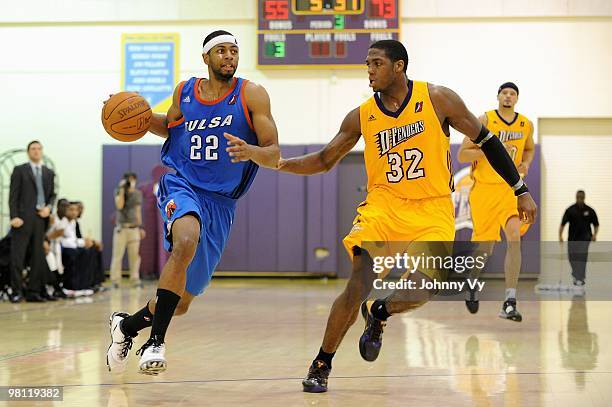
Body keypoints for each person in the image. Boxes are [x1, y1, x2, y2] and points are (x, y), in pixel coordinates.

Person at [277, 40, 537, 393]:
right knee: (358, 282)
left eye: (376, 63)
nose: (369, 70)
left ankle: (380, 313)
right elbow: (324, 160)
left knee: (425, 288)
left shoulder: (437, 98)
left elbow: (488, 141)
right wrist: (279, 163)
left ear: (398, 66)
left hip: (432, 207)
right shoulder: (361, 115)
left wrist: (520, 189)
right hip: (384, 206)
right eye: (367, 64)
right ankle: (322, 362)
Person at [106, 30, 280, 375]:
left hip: (221, 203)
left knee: (182, 302)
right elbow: (171, 128)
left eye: (234, 50)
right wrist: (133, 116)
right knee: (184, 241)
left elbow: (274, 154)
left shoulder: (252, 94)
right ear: (206, 58)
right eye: (221, 51)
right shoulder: (184, 92)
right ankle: (155, 343)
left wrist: (251, 151)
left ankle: (125, 328)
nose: (229, 56)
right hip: (181, 182)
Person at [456, 82, 535, 321]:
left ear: (517, 99)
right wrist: (491, 150)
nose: (508, 96)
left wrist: (526, 164)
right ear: (498, 96)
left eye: (512, 93)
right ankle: (471, 281)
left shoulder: (526, 124)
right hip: (484, 192)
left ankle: (509, 301)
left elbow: (529, 149)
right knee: (486, 248)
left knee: (514, 237)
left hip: (510, 191)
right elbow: (462, 154)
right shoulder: (485, 119)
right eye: (504, 93)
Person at [8, 140, 56, 303]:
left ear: (42, 151)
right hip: (22, 219)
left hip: (40, 219)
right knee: (18, 257)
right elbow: (13, 195)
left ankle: (33, 291)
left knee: (38, 257)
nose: (36, 151)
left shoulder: (48, 172)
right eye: (33, 149)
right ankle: (16, 291)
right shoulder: (20, 170)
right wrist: (14, 216)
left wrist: (49, 208)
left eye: (38, 148)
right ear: (28, 152)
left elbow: (52, 195)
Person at [109, 172, 144, 289]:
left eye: (132, 179)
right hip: (121, 228)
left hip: (133, 229)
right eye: (128, 180)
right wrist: (122, 190)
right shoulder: (118, 191)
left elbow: (138, 210)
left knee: (135, 256)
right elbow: (119, 205)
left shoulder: (138, 193)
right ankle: (115, 280)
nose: (130, 182)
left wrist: (140, 227)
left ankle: (135, 279)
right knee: (117, 256)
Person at [559, 190, 599, 293]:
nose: (580, 199)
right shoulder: (570, 210)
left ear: (584, 198)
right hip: (572, 239)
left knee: (582, 258)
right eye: (578, 197)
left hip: (585, 239)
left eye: (581, 197)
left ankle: (580, 279)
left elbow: (596, 224)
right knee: (572, 258)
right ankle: (575, 275)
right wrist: (560, 236)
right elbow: (563, 224)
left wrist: (595, 235)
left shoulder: (590, 210)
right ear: (576, 197)